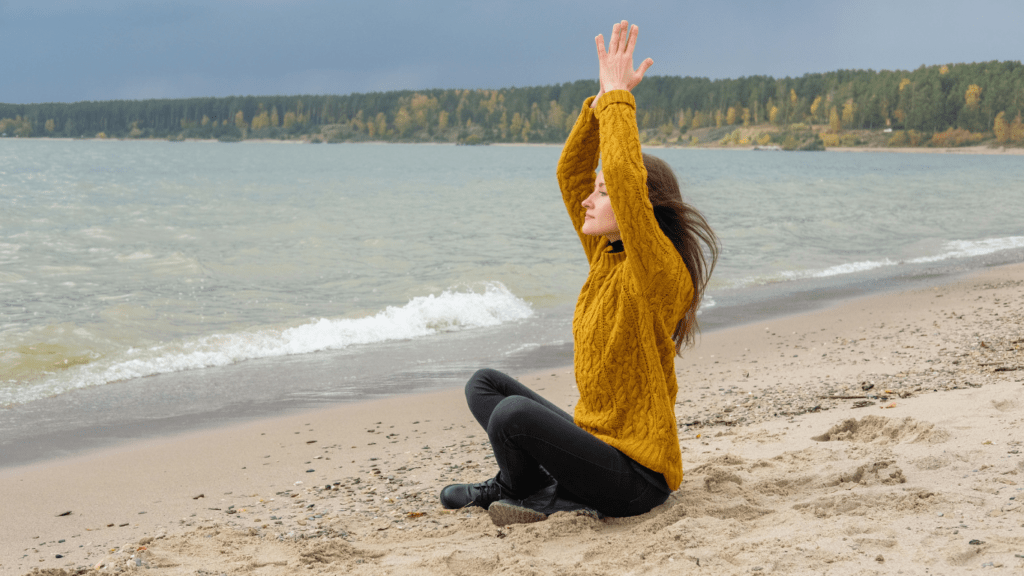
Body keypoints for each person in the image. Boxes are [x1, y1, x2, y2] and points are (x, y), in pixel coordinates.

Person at [439, 20, 719, 527]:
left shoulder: (660, 273)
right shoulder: (604, 258)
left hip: (636, 478)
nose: (589, 199)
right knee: (486, 386)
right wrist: (598, 103)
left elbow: (628, 181)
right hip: (595, 447)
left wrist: (620, 102)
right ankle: (530, 487)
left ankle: (525, 491)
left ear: (640, 207)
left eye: (604, 192)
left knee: (513, 417)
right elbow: (571, 173)